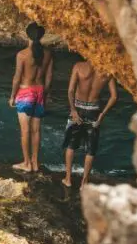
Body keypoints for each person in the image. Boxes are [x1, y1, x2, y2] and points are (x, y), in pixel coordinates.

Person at [61, 60, 118, 188]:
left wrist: (73, 110)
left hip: (78, 109)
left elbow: (70, 91)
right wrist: (102, 115)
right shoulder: (108, 70)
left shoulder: (78, 66)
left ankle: (68, 179)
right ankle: (84, 183)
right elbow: (114, 97)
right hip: (94, 111)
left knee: (71, 146)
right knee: (91, 150)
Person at [8, 22, 53, 172]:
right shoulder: (47, 54)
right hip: (40, 91)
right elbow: (48, 78)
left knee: (25, 131)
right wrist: (44, 96)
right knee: (36, 130)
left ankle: (26, 163)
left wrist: (12, 96)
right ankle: (35, 162)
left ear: (27, 35)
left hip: (25, 93)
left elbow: (16, 77)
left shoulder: (22, 55)